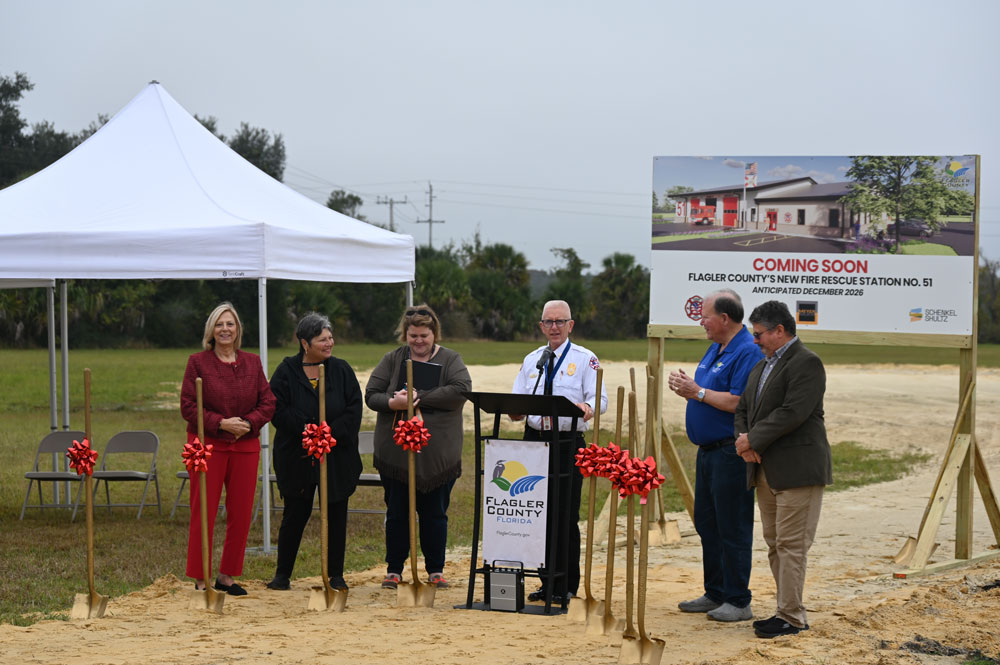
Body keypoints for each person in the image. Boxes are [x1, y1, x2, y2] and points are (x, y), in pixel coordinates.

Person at [735, 300, 832, 639]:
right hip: (765, 470)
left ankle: (791, 616)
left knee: (792, 545)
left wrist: (752, 441)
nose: (755, 340)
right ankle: (785, 610)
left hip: (798, 470)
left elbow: (793, 412)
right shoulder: (762, 366)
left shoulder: (806, 362)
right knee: (776, 543)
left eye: (759, 334)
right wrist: (744, 441)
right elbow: (743, 409)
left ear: (779, 330)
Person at [669, 289, 763, 622]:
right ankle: (715, 592)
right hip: (707, 452)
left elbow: (739, 402)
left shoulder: (748, 351)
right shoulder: (714, 348)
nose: (701, 322)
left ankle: (738, 600)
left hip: (730, 452)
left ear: (724, 318)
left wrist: (699, 392)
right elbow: (707, 395)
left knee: (732, 525)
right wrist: (689, 391)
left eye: (705, 316)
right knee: (708, 524)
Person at [365, 304, 471, 590]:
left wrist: (419, 397)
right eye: (413, 336)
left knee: (435, 513)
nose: (419, 341)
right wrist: (394, 402)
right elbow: (372, 395)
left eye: (424, 335)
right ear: (405, 334)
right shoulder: (392, 359)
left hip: (438, 456)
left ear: (434, 333)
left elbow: (461, 389)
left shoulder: (451, 359)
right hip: (396, 455)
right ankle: (394, 569)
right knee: (398, 512)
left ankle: (435, 569)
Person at [511, 299, 607, 603]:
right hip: (535, 439)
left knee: (565, 513)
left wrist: (587, 408)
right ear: (541, 326)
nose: (554, 327)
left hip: (566, 443)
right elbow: (518, 398)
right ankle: (545, 581)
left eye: (559, 321)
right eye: (548, 322)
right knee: (538, 515)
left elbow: (599, 399)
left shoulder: (585, 359)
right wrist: (514, 411)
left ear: (570, 325)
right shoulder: (532, 360)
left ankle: (566, 586)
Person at [180, 302, 275, 596]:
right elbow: (188, 406)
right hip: (207, 446)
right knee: (203, 510)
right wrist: (221, 424)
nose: (225, 329)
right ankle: (200, 577)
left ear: (238, 330)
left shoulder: (252, 362)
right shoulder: (197, 362)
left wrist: (248, 422)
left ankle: (227, 575)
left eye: (230, 324)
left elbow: (268, 402)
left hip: (245, 446)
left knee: (242, 512)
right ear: (211, 330)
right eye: (219, 324)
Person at [266, 313, 362, 591]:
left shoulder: (342, 370)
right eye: (323, 339)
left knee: (335, 512)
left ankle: (336, 575)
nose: (329, 342)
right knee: (295, 513)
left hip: (336, 455)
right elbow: (277, 409)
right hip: (297, 456)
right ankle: (282, 575)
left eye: (331, 337)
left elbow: (354, 408)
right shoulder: (286, 372)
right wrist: (308, 430)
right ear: (305, 343)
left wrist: (329, 433)